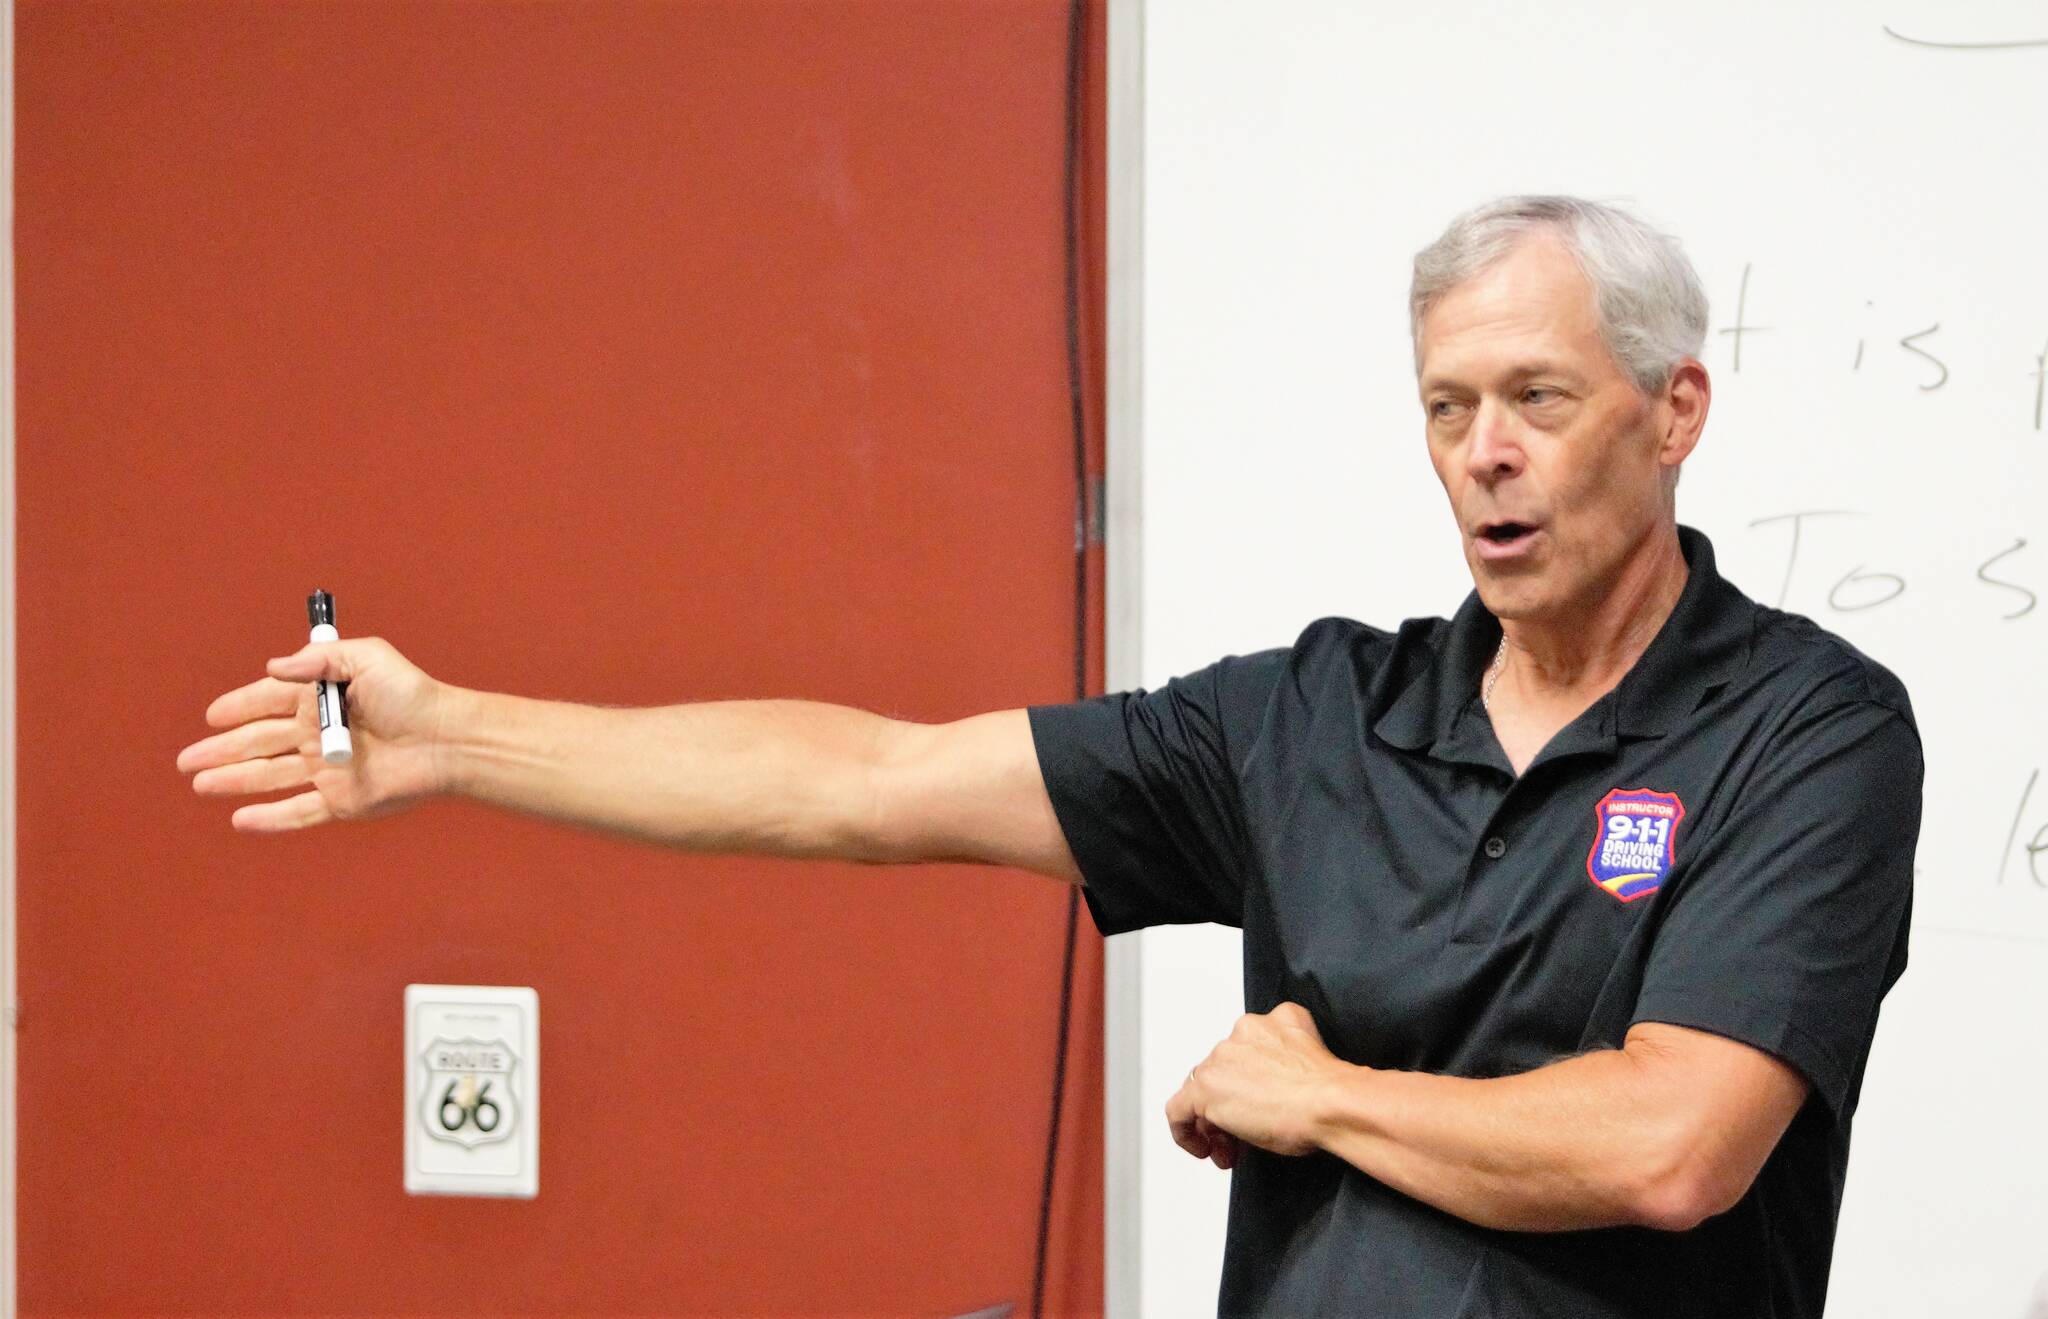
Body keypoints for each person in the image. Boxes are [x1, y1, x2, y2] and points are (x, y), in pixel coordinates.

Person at [177, 195, 1919, 1318]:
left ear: (1675, 410)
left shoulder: (1808, 730)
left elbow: (1670, 1146)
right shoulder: (1315, 717)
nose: (1486, 457)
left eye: (1538, 398)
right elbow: (863, 784)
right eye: (1448, 409)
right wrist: (452, 739)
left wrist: (1314, 1096)